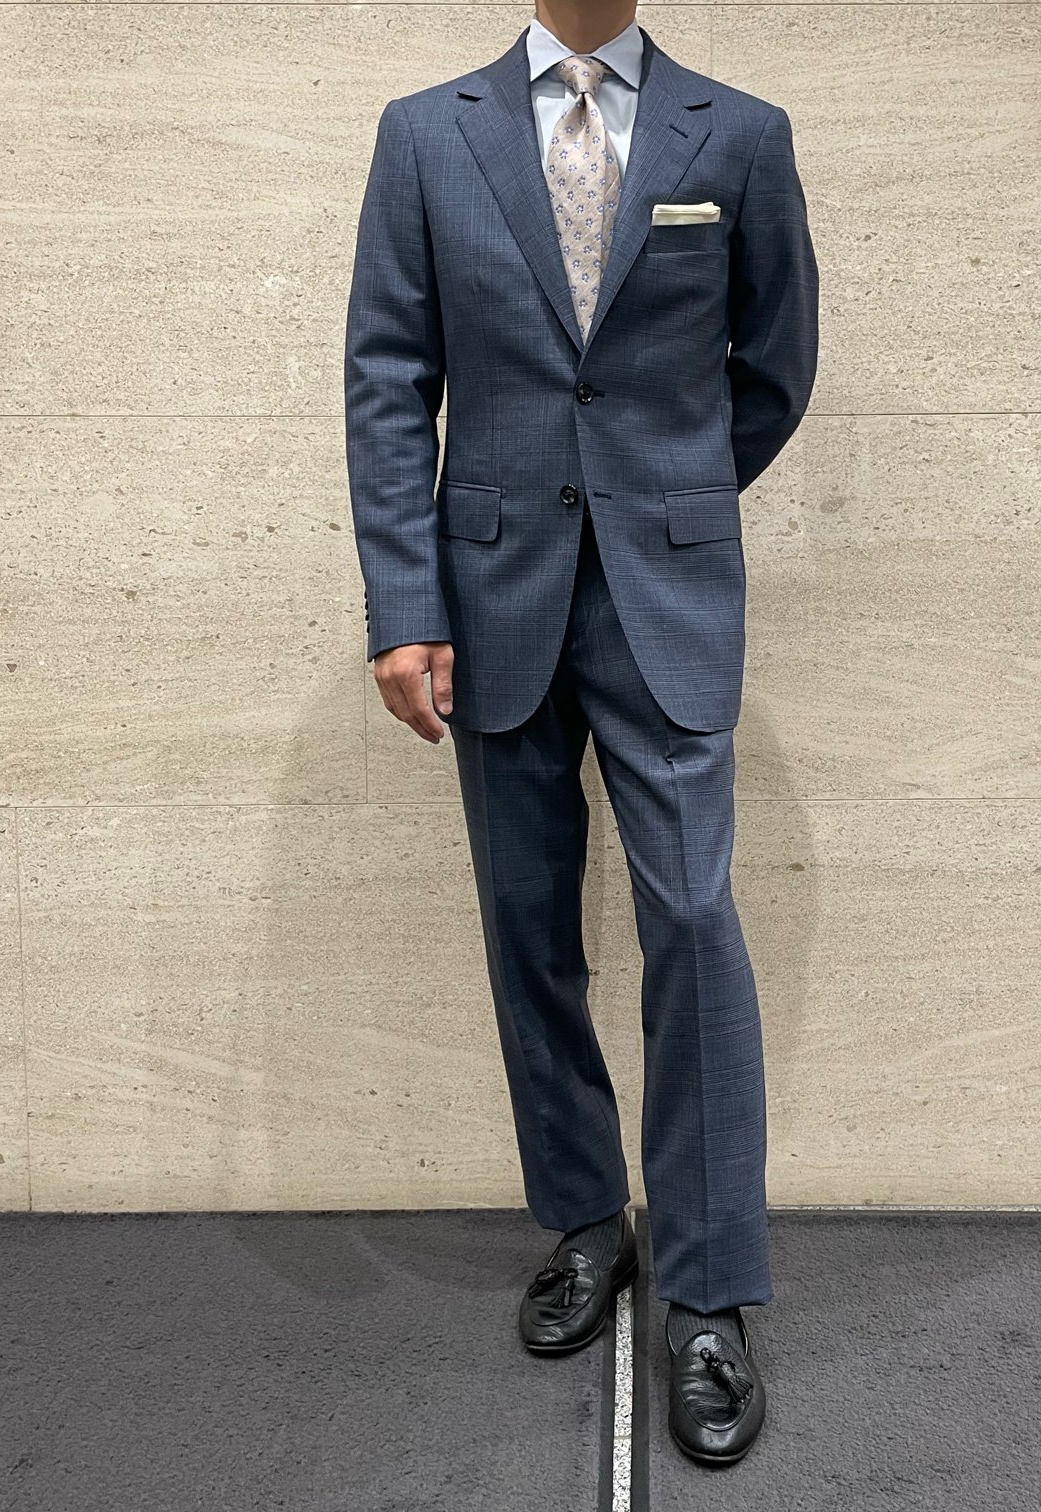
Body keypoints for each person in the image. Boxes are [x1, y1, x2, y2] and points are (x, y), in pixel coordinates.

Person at [344, 0, 817, 1466]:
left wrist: (666, 488)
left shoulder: (740, 134)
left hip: (666, 590)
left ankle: (710, 1293)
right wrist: (403, 603)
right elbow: (388, 377)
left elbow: (776, 365)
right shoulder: (425, 137)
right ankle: (584, 1219)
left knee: (694, 921)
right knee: (527, 920)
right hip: (491, 596)